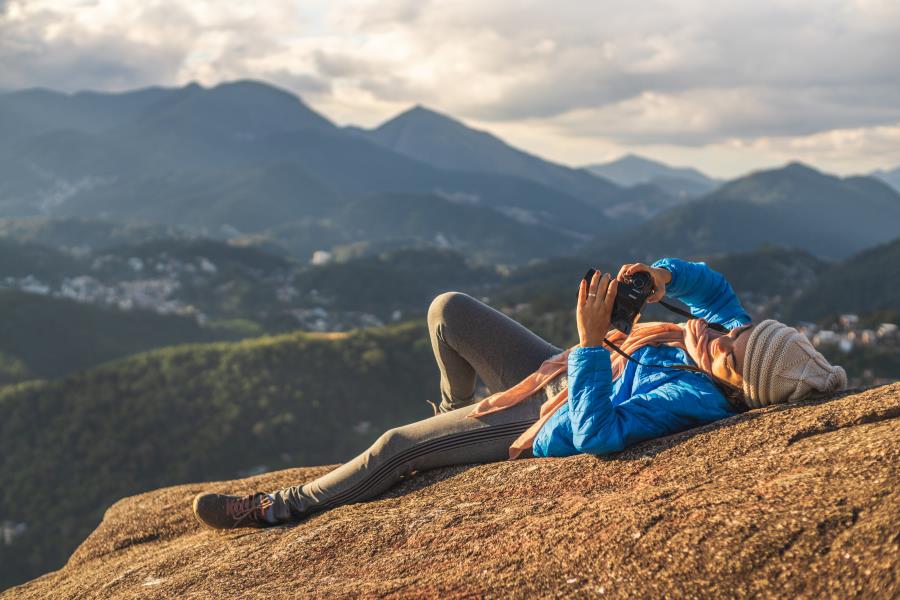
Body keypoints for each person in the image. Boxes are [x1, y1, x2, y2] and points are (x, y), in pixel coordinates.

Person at [192, 258, 848, 529]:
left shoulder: (696, 401)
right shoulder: (719, 338)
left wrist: (592, 343)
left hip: (547, 421)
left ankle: (279, 508)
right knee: (448, 309)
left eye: (729, 350)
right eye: (732, 335)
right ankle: (453, 414)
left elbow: (597, 435)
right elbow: (711, 290)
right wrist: (657, 276)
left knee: (395, 447)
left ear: (740, 384)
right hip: (560, 376)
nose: (714, 335)